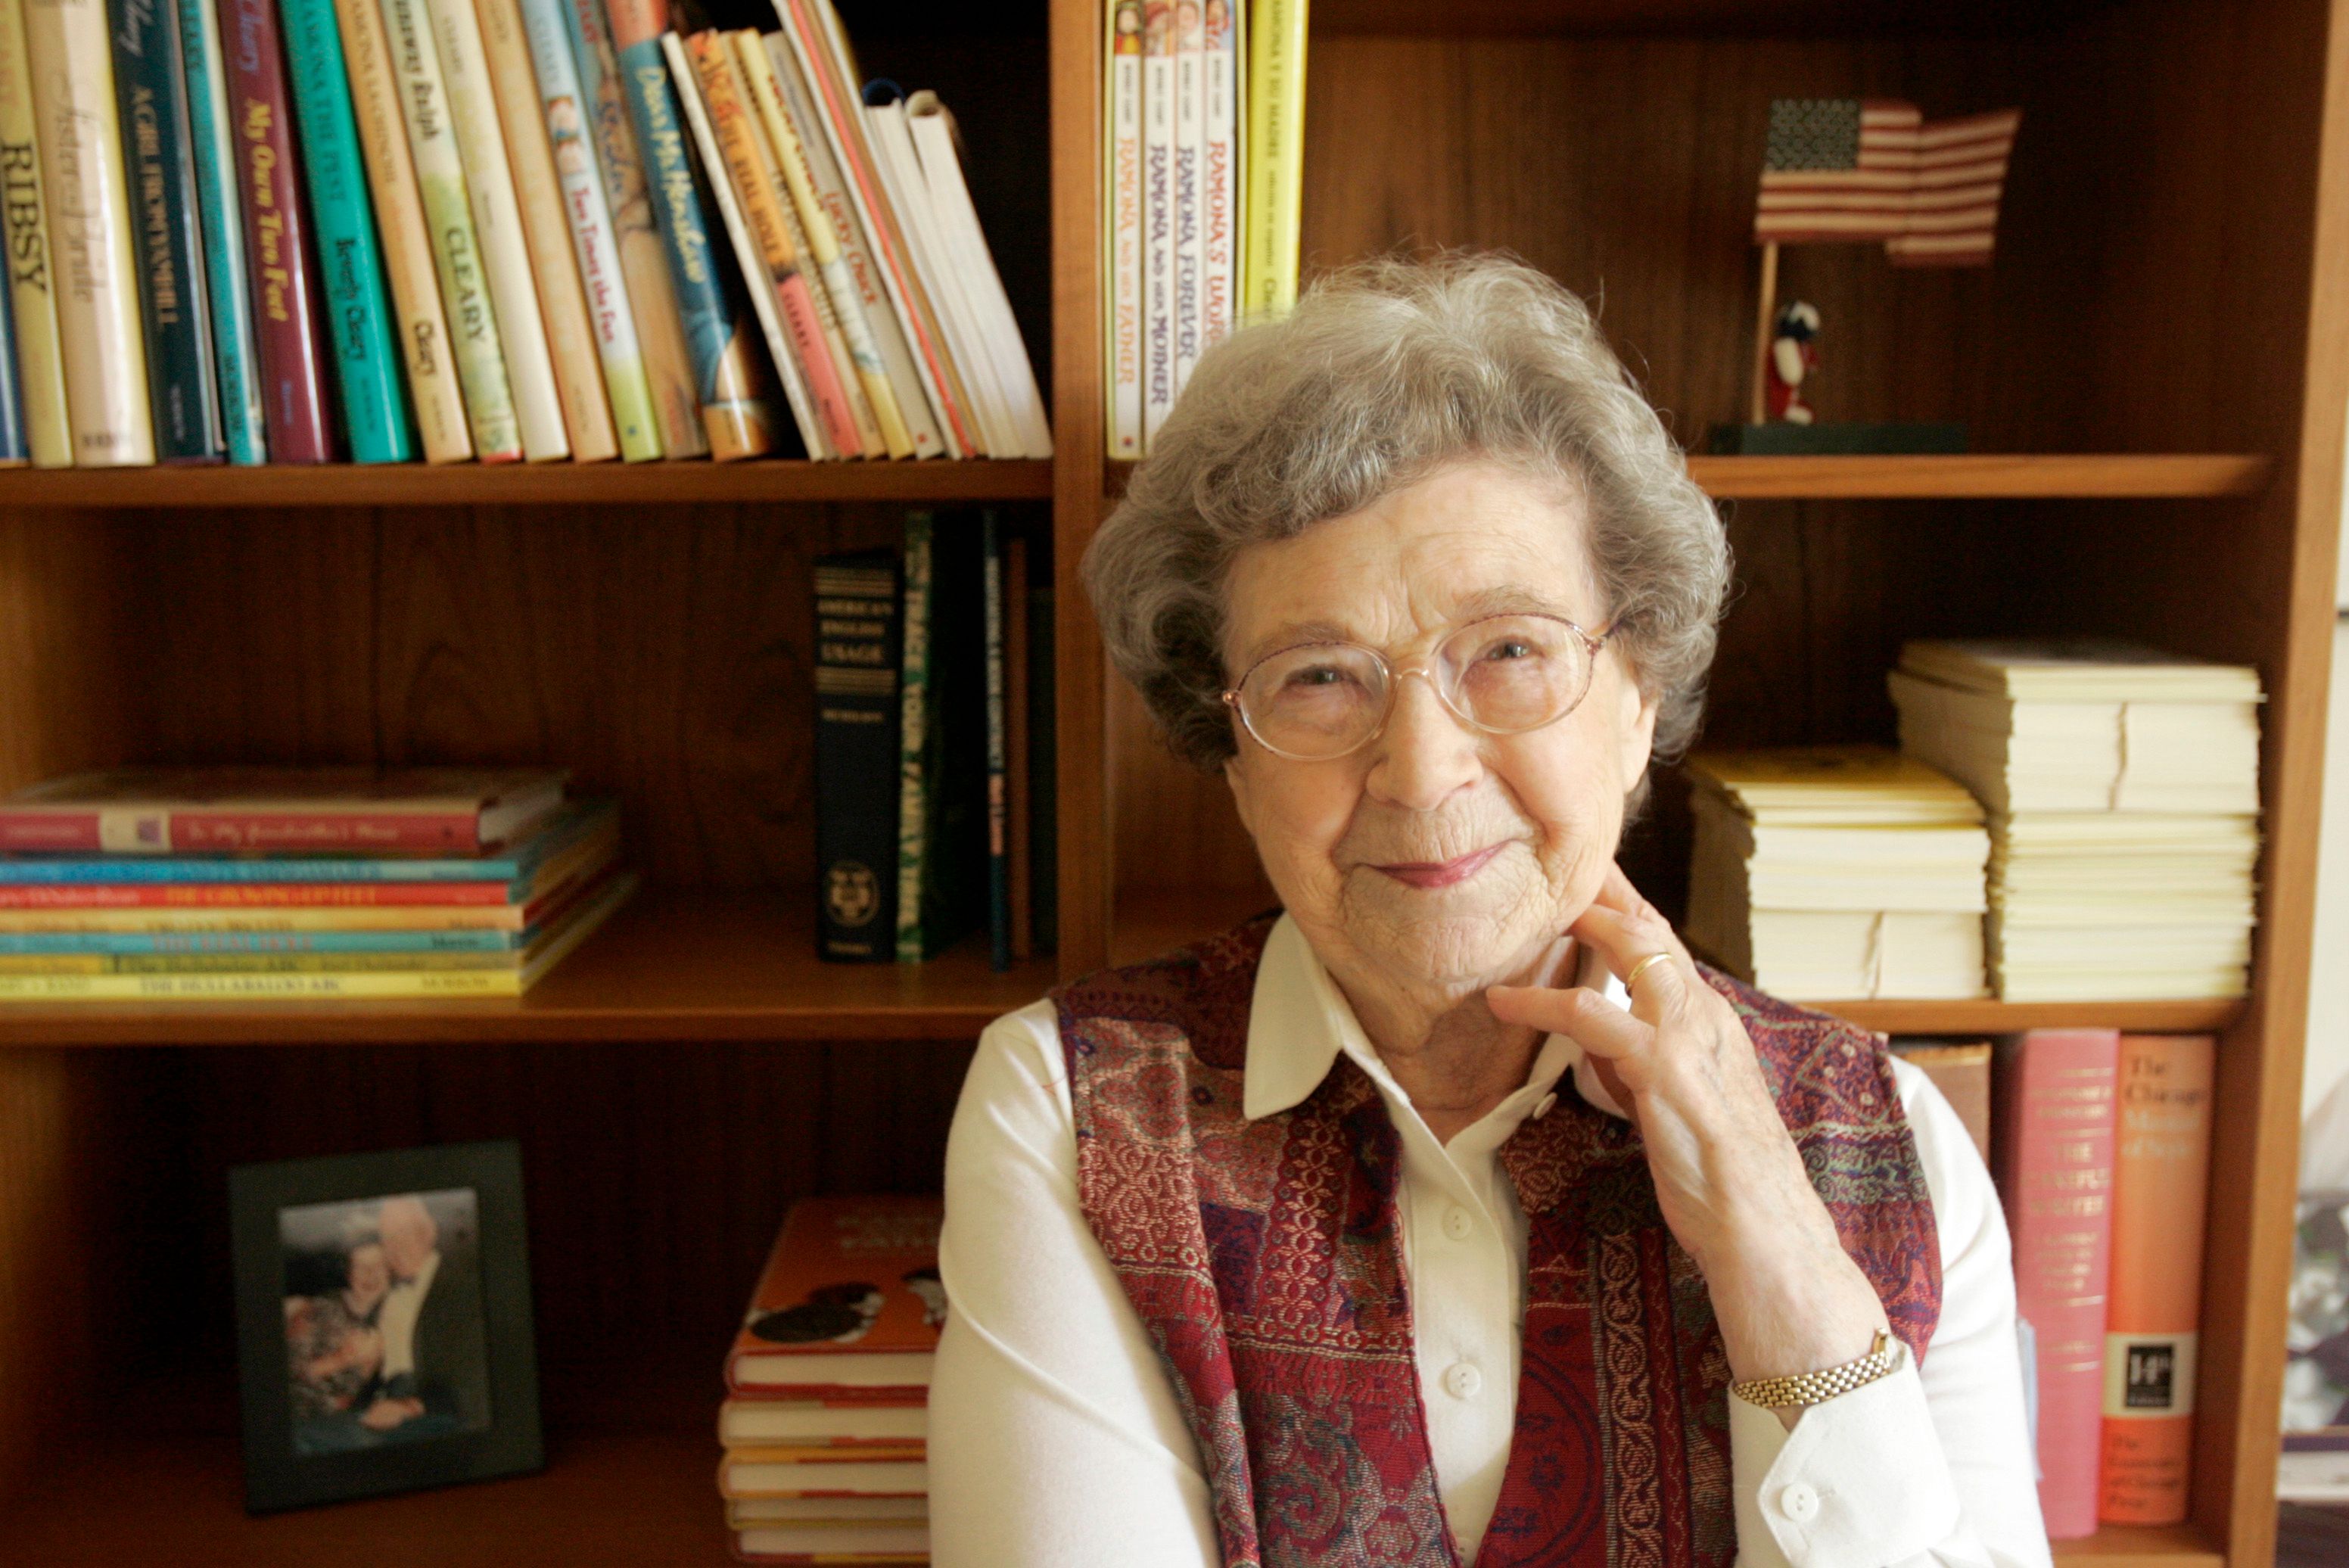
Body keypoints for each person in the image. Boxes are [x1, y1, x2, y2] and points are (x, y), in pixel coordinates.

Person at [931, 255, 2049, 1567]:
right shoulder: (1074, 1107)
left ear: (1638, 699)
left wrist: (1783, 1262)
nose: (1420, 769)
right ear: (1229, 756)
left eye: (1507, 652)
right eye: (1317, 679)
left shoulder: (1887, 1139)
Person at [364, 1195, 490, 1440]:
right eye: (387, 1237)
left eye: (404, 1232)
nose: (394, 1245)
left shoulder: (465, 1288)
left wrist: (412, 1407)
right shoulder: (387, 1296)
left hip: (434, 1409)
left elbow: (478, 1381)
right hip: (379, 1402)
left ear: (429, 1232)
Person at [285, 1239, 390, 1443]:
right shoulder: (318, 1308)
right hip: (305, 1419)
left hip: (356, 1420)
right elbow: (290, 1372)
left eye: (379, 1265)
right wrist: (341, 1359)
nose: (371, 1274)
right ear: (349, 1274)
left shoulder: (396, 1316)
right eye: (362, 1267)